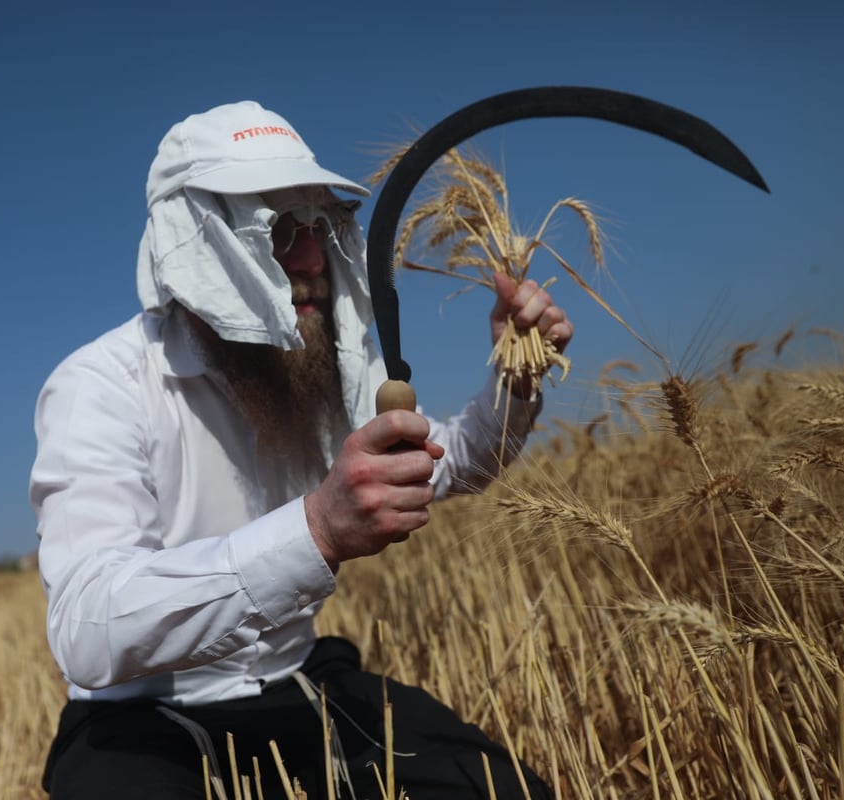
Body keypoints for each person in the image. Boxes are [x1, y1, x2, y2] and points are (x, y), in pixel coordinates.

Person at [30, 100, 571, 799]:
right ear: (200, 248)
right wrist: (315, 530)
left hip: (299, 683)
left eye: (320, 226)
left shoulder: (333, 368)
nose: (314, 259)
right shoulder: (98, 386)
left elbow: (455, 464)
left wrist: (515, 378)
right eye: (281, 231)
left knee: (496, 788)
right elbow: (88, 628)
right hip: (141, 727)